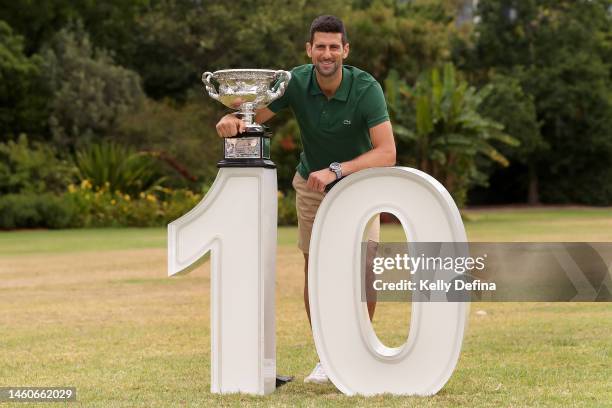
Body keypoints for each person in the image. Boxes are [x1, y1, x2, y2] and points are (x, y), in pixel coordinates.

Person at [215, 15, 396, 384]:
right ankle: (328, 356)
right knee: (316, 273)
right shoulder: (295, 81)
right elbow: (253, 117)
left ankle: (357, 352)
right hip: (311, 187)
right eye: (320, 46)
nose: (327, 53)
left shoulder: (366, 89)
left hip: (359, 186)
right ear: (309, 50)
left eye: (334, 46)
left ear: (345, 50)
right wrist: (232, 120)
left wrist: (337, 169)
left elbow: (387, 153)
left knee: (363, 271)